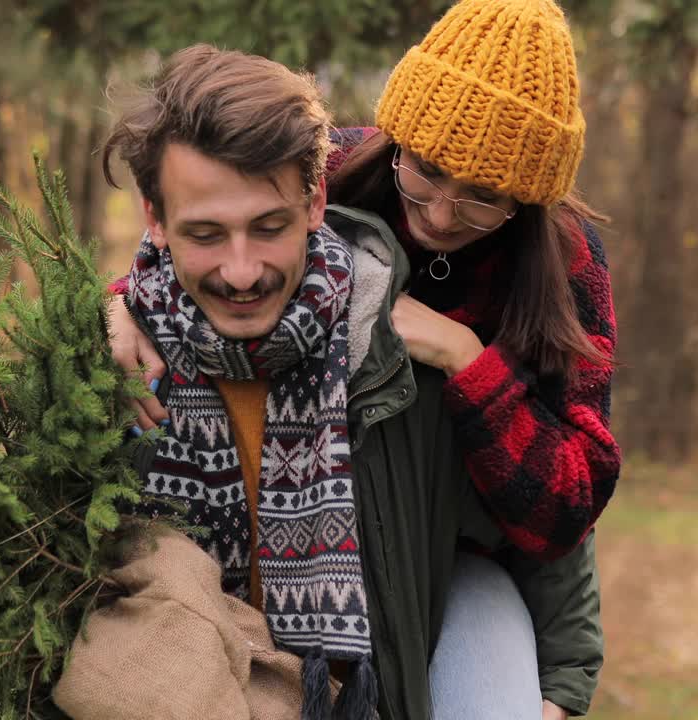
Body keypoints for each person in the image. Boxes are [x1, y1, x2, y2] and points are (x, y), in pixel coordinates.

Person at [106, 1, 617, 718]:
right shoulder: (334, 169)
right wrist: (122, 299)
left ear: (526, 200)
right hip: (321, 537)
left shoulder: (564, 262)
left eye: (482, 199)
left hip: (465, 554)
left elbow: (571, 503)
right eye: (429, 172)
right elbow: (207, 241)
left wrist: (470, 362)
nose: (439, 215)